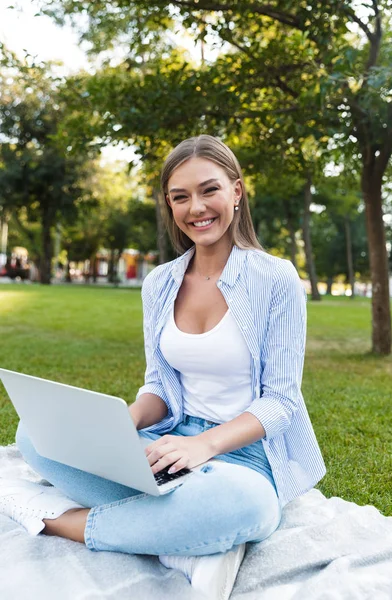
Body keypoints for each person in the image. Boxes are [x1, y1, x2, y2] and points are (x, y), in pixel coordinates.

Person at [0, 135, 325, 600]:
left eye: (209, 190)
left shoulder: (275, 278)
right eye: (180, 197)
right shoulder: (160, 283)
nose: (197, 207)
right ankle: (178, 534)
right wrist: (121, 424)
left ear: (236, 192)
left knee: (247, 508)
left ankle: (60, 521)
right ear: (169, 206)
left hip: (246, 457)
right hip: (167, 445)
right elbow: (160, 388)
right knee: (35, 435)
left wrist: (203, 446)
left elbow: (282, 402)